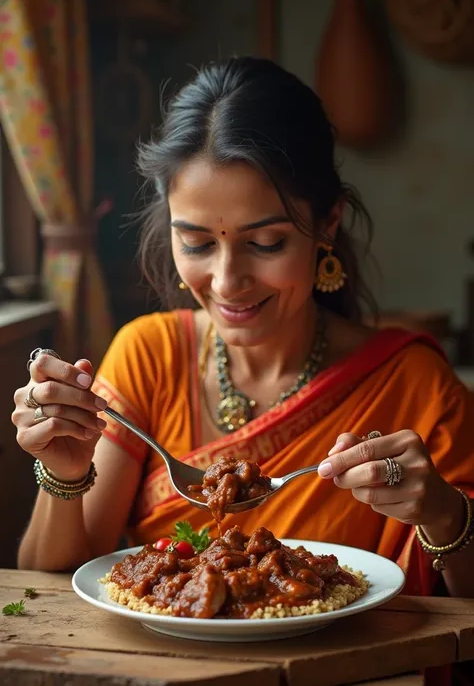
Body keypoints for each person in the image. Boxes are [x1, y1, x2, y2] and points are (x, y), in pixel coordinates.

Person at [11, 56, 474, 602]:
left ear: (327, 223)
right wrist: (64, 472)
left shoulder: (415, 384)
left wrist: (444, 514)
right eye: (199, 243)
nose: (228, 281)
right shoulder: (148, 353)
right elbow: (47, 594)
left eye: (266, 243)